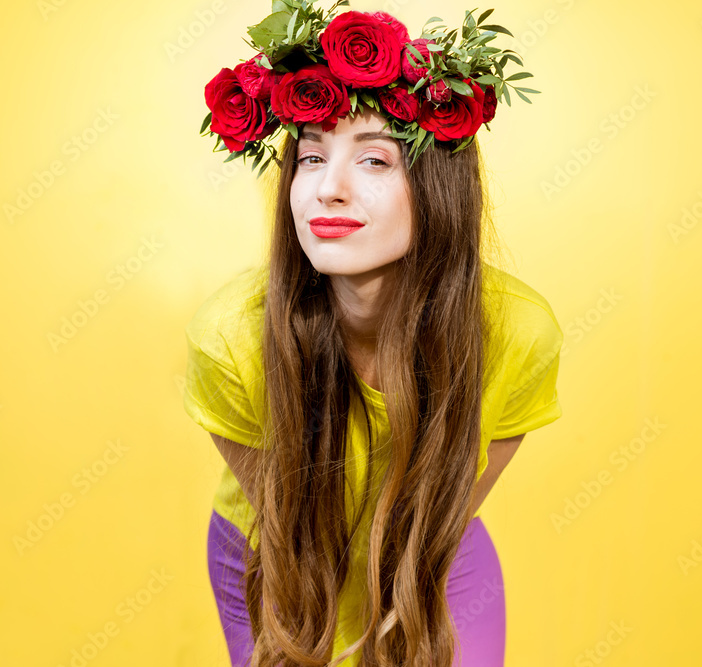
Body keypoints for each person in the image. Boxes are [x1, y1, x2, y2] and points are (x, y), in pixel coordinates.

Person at [185, 5, 562, 666]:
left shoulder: (518, 336)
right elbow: (293, 532)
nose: (328, 190)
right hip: (281, 551)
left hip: (433, 554)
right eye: (310, 158)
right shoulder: (229, 339)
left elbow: (446, 511)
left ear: (437, 187)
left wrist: (403, 611)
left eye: (376, 161)